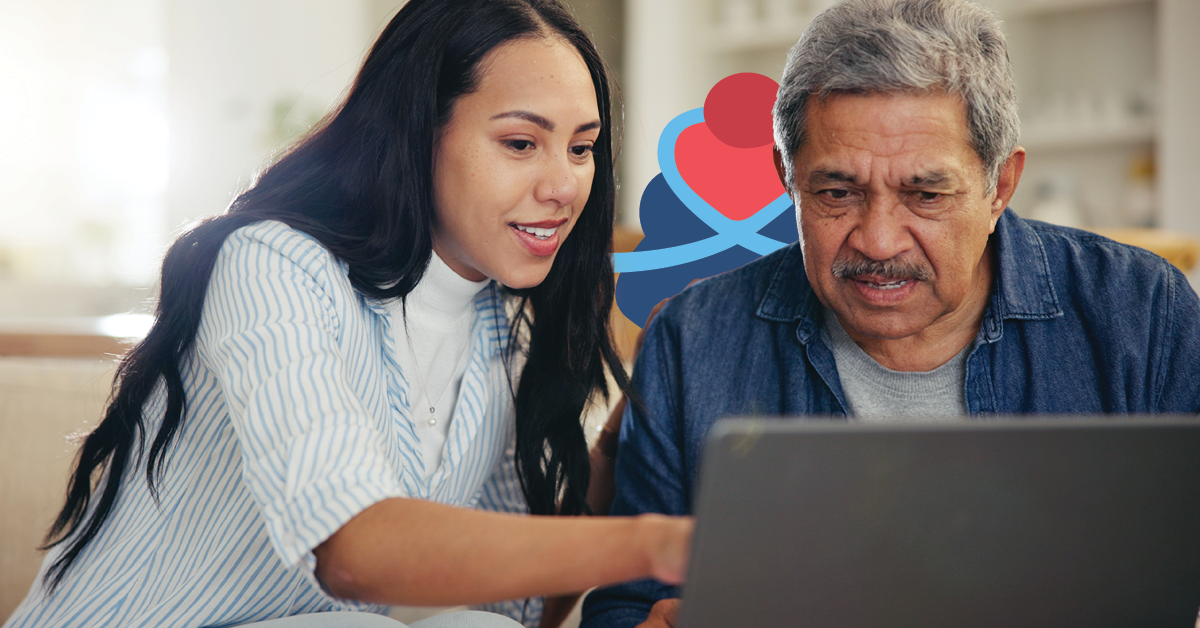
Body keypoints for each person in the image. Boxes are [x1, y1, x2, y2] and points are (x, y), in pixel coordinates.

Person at [4, 1, 692, 627]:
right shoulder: (270, 266)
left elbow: (508, 607)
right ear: (419, 131)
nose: (563, 185)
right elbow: (354, 551)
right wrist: (658, 545)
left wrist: (623, 439)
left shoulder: (500, 330)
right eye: (520, 143)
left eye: (581, 148)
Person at [581, 0, 1200, 625]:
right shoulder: (691, 341)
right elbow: (623, 604)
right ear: (786, 178)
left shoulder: (1142, 314)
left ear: (1000, 188)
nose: (878, 241)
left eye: (924, 195)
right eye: (836, 194)